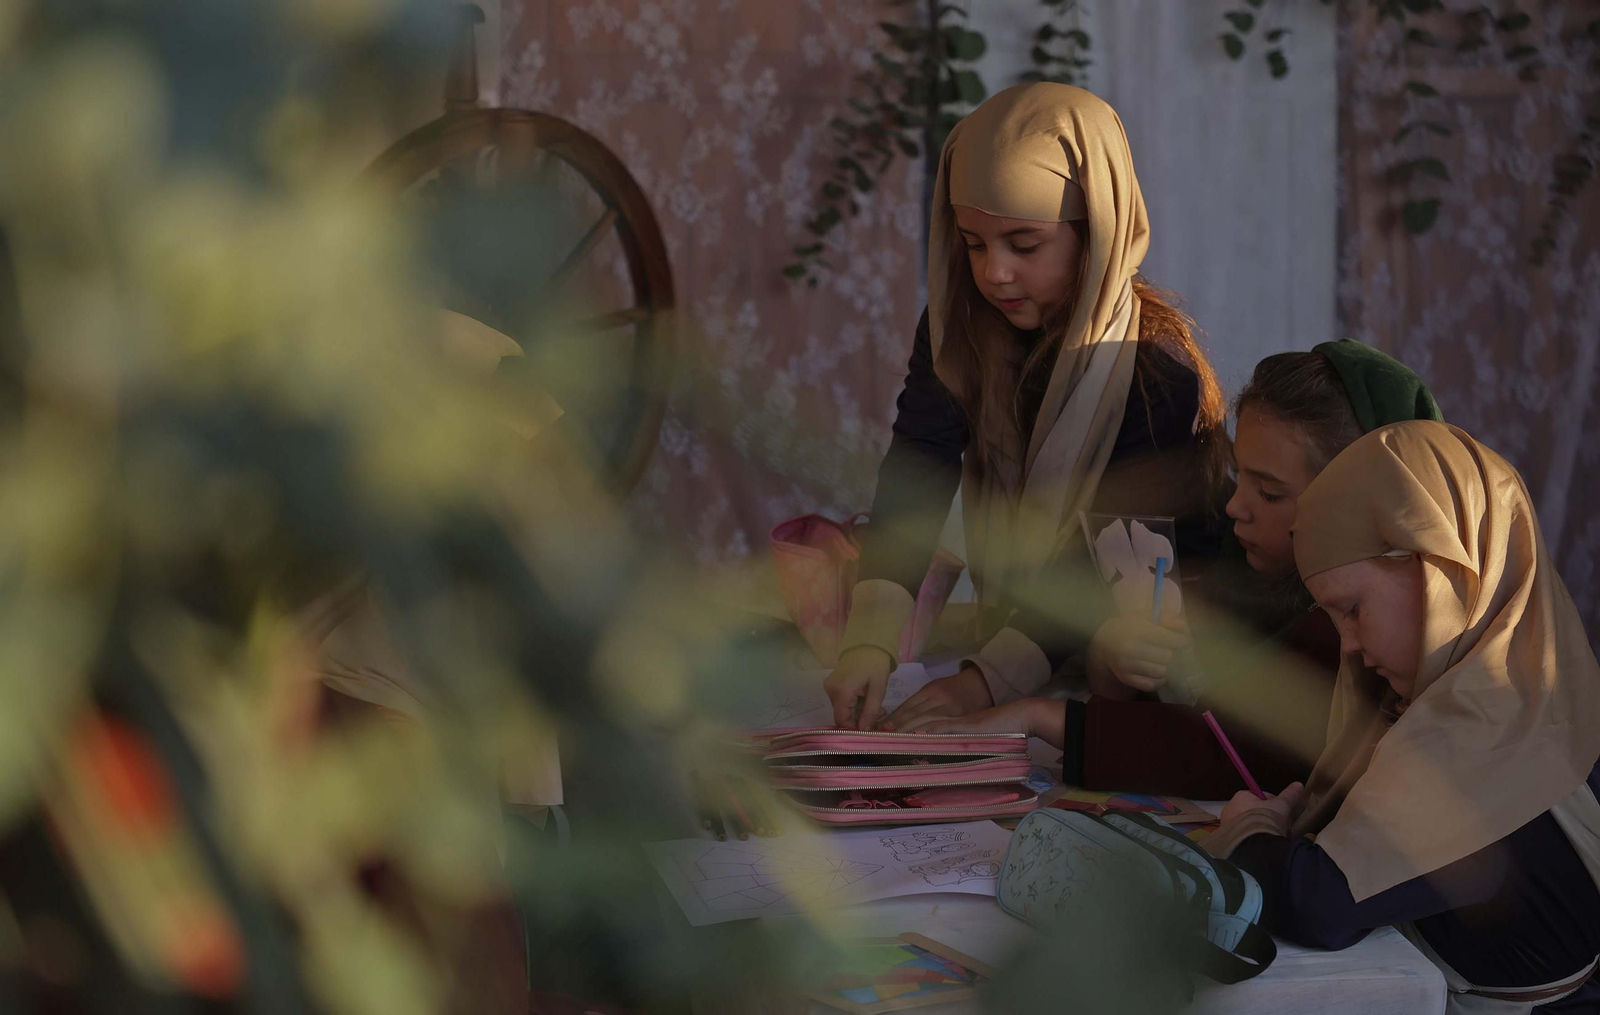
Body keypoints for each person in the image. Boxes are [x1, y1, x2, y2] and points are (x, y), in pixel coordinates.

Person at [824, 82, 1230, 731]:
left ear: (1097, 229)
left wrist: (985, 683)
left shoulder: (1153, 371)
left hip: (1141, 674)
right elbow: (920, 465)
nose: (994, 273)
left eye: (1024, 243)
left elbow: (1108, 560)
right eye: (975, 244)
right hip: (1020, 644)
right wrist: (869, 636)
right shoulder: (960, 328)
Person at [899, 341, 1442, 801]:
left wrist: (1038, 718)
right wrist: (1114, 662)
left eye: (1269, 492)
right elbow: (1179, 711)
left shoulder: (1360, 623)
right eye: (1240, 477)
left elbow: (1233, 750)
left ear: (1362, 504)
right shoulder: (1242, 574)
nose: (1235, 507)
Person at [1207, 421, 1600, 1014]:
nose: (1348, 647)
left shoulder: (1478, 726)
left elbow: (1322, 905)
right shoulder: (1523, 690)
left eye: (1353, 610)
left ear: (1439, 569)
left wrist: (1251, 833)